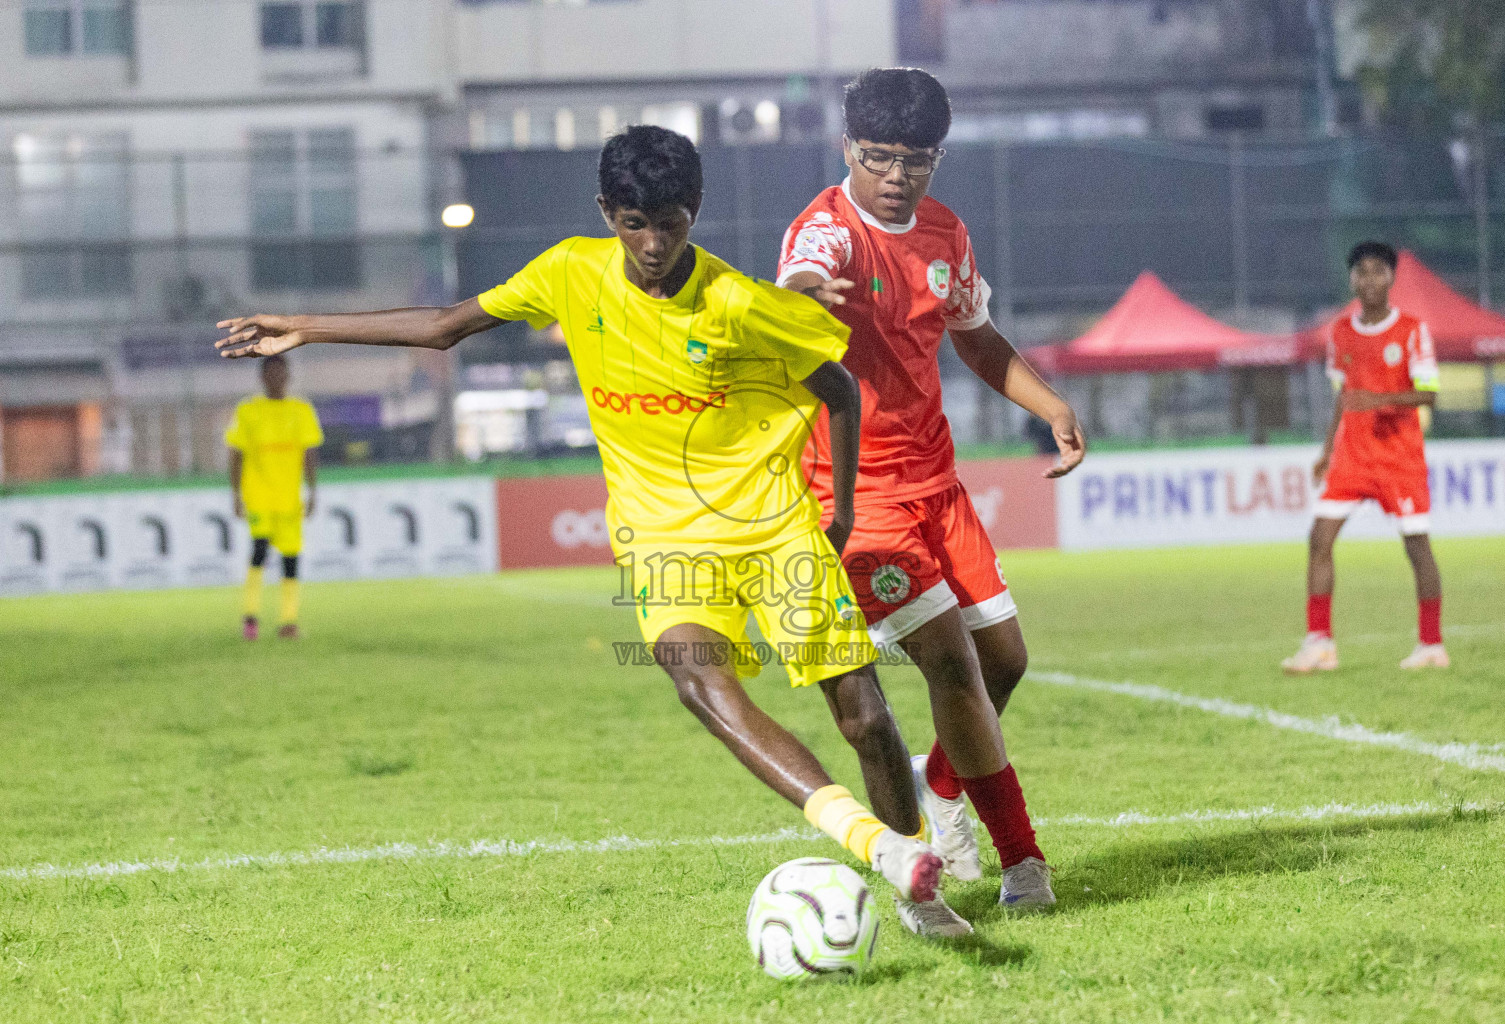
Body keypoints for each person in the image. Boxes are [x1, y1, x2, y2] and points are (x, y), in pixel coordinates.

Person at [215, 125, 961, 929]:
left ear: (694, 212)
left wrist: (839, 508)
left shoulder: (743, 303)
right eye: (634, 222)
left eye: (669, 222)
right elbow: (443, 325)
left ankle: (915, 873)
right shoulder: (570, 271)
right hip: (664, 541)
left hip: (774, 528)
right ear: (608, 211)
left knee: (864, 717)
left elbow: (839, 389)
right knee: (698, 684)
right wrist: (304, 324)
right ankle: (883, 851)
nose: (651, 242)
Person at [778, 68, 1086, 920]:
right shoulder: (825, 232)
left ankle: (941, 787)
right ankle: (1020, 862)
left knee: (1005, 664)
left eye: (916, 159)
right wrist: (800, 298)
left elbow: (977, 340)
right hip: (857, 495)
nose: (896, 175)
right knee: (951, 666)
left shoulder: (945, 232)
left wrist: (1049, 403)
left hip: (937, 485)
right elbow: (797, 281)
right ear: (848, 148)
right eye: (878, 156)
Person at [1283, 240, 1448, 673]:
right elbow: (1344, 398)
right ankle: (1320, 643)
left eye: (1378, 270)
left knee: (1417, 547)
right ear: (1351, 279)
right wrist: (1325, 451)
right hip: (1352, 456)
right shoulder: (1340, 332)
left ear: (1392, 278)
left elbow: (1428, 394)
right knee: (1319, 539)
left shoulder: (1412, 330)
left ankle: (1431, 644)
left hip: (1399, 456)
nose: (1369, 278)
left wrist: (1377, 399)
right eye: (1361, 271)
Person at [225, 354, 323, 640]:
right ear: (262, 377)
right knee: (259, 551)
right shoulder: (248, 410)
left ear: (288, 375)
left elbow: (310, 453)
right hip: (258, 496)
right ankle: (251, 618)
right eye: (271, 372)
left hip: (290, 498)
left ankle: (289, 621)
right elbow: (235, 454)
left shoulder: (301, 409)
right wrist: (235, 494)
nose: (276, 378)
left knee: (291, 558)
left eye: (281, 372)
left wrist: (313, 490)